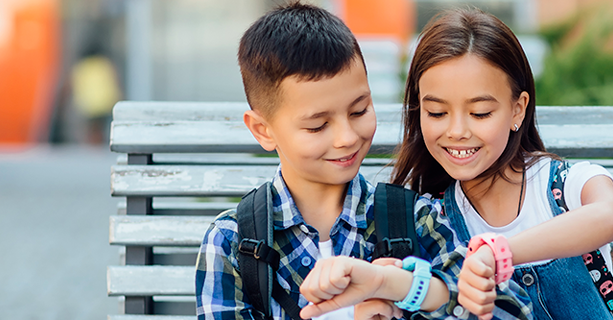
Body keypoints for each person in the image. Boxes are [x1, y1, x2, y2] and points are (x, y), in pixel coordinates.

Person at [194, 3, 533, 319]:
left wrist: (400, 287)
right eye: (318, 125)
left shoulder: (413, 219)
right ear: (263, 130)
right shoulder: (234, 241)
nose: (347, 137)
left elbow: (510, 309)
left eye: (359, 111)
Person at [384, 8, 613, 320]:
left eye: (480, 113)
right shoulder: (434, 221)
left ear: (517, 110)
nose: (457, 131)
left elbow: (611, 215)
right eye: (436, 113)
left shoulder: (563, 184)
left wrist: (497, 253)